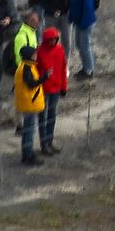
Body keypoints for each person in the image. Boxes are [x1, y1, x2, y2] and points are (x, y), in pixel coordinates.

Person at [14, 42, 47, 166]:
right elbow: (31, 83)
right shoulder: (26, 68)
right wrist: (44, 78)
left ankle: (26, 155)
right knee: (29, 131)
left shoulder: (25, 66)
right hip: (30, 104)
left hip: (27, 103)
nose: (36, 56)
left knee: (28, 131)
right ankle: (29, 155)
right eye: (34, 54)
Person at [38, 26, 68, 157]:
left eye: (55, 39)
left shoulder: (60, 49)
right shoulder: (39, 52)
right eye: (51, 39)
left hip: (55, 88)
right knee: (43, 118)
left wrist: (64, 87)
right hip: (43, 90)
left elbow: (63, 68)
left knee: (52, 117)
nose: (53, 42)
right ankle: (44, 144)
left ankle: (49, 141)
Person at [67, 0, 98, 80]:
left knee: (85, 45)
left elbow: (87, 7)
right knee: (80, 45)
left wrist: (83, 22)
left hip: (86, 22)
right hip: (79, 22)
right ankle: (86, 67)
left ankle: (89, 70)